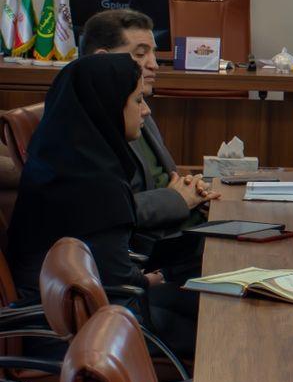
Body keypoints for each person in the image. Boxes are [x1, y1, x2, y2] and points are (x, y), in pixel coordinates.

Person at [6, 54, 199, 359]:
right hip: (76, 330)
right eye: (138, 101)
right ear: (106, 106)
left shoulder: (64, 157)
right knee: (215, 326)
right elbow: (116, 283)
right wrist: (152, 278)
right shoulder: (93, 181)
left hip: (75, 310)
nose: (146, 110)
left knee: (204, 301)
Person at [79, 9, 218, 248]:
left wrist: (193, 191)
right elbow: (104, 211)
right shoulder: (86, 123)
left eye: (153, 53)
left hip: (185, 224)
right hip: (153, 246)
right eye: (141, 54)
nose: (154, 64)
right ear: (102, 60)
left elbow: (167, 177)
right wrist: (175, 199)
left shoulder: (138, 105)